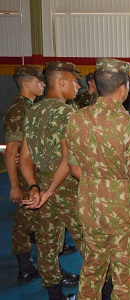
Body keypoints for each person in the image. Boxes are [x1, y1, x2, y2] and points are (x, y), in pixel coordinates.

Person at [65, 58, 130, 300]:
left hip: (91, 209)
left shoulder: (76, 119)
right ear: (123, 88)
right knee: (125, 279)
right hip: (123, 214)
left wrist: (98, 184)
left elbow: (74, 168)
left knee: (92, 271)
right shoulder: (129, 126)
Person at [20, 61, 84, 300]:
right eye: (74, 81)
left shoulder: (33, 111)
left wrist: (36, 187)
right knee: (88, 241)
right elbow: (69, 160)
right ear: (61, 81)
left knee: (47, 243)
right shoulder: (68, 113)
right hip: (67, 188)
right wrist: (50, 190)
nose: (78, 85)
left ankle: (55, 295)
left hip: (42, 185)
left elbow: (25, 158)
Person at [3, 65, 44, 283]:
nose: (43, 85)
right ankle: (25, 266)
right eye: (40, 82)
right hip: (24, 178)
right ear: (28, 83)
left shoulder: (31, 107)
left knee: (31, 220)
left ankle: (31, 263)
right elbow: (11, 150)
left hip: (32, 173)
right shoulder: (19, 110)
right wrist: (15, 185)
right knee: (23, 221)